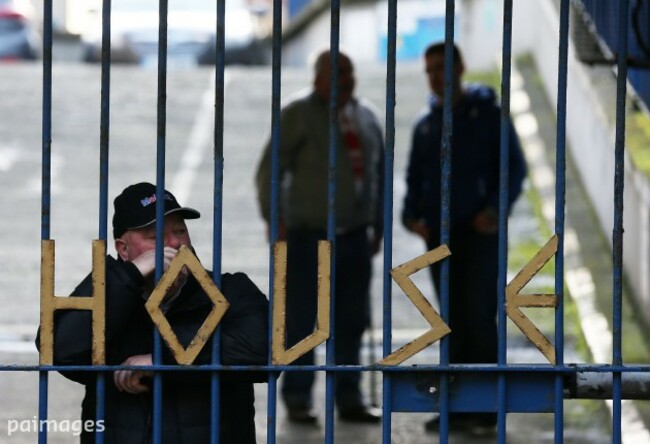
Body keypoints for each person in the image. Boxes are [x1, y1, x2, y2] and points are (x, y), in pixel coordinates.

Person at [38, 182, 269, 443]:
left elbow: (266, 351)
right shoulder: (108, 300)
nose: (174, 243)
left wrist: (162, 359)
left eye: (180, 231)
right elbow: (58, 349)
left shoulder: (230, 290)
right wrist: (129, 277)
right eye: (154, 236)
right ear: (123, 250)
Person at [402, 42, 527, 434]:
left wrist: (493, 209)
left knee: (477, 315)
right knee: (450, 321)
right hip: (440, 234)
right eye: (430, 70)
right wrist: (411, 214)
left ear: (460, 67)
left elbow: (513, 167)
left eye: (442, 67)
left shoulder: (487, 114)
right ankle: (455, 407)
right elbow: (415, 177)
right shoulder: (427, 123)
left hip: (480, 232)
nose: (436, 76)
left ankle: (486, 408)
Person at [255, 49, 384, 424]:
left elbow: (376, 176)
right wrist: (274, 217)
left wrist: (377, 224)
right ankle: (298, 398)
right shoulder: (297, 114)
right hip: (306, 235)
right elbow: (271, 170)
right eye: (335, 72)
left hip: (355, 236)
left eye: (348, 71)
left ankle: (349, 397)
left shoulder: (366, 116)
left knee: (351, 318)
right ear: (317, 79)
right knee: (300, 320)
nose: (344, 79)